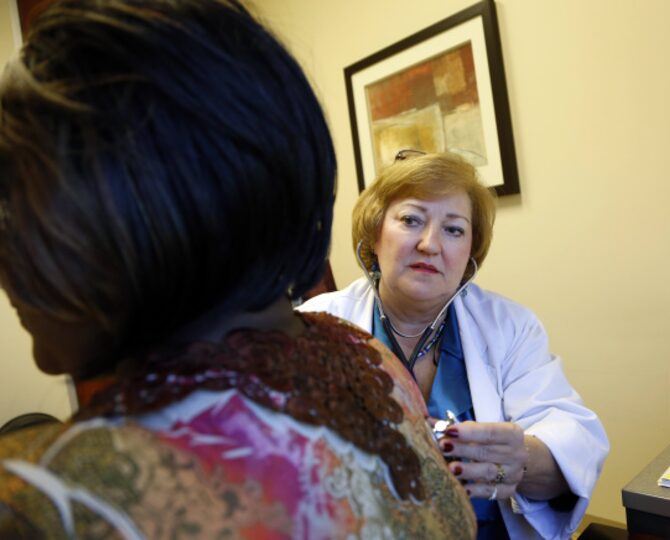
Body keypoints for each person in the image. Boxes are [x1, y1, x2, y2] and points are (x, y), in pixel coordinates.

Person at [0, 1, 475, 537]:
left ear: (130, 209)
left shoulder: (41, 503)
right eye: (411, 220)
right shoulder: (369, 359)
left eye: (11, 202)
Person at [299, 151, 609, 539]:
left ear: (469, 255)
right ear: (374, 234)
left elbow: (572, 439)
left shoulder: (510, 326)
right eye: (411, 220)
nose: (430, 244)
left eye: (454, 229)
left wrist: (522, 461)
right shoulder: (314, 327)